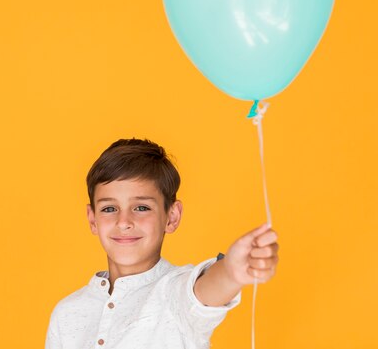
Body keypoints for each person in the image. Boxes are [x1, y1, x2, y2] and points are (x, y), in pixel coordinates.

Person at [45, 138, 279, 349]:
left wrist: (231, 271)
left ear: (172, 216)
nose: (124, 221)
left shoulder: (173, 294)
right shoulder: (67, 313)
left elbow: (204, 293)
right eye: (109, 209)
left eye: (141, 208)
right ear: (93, 219)